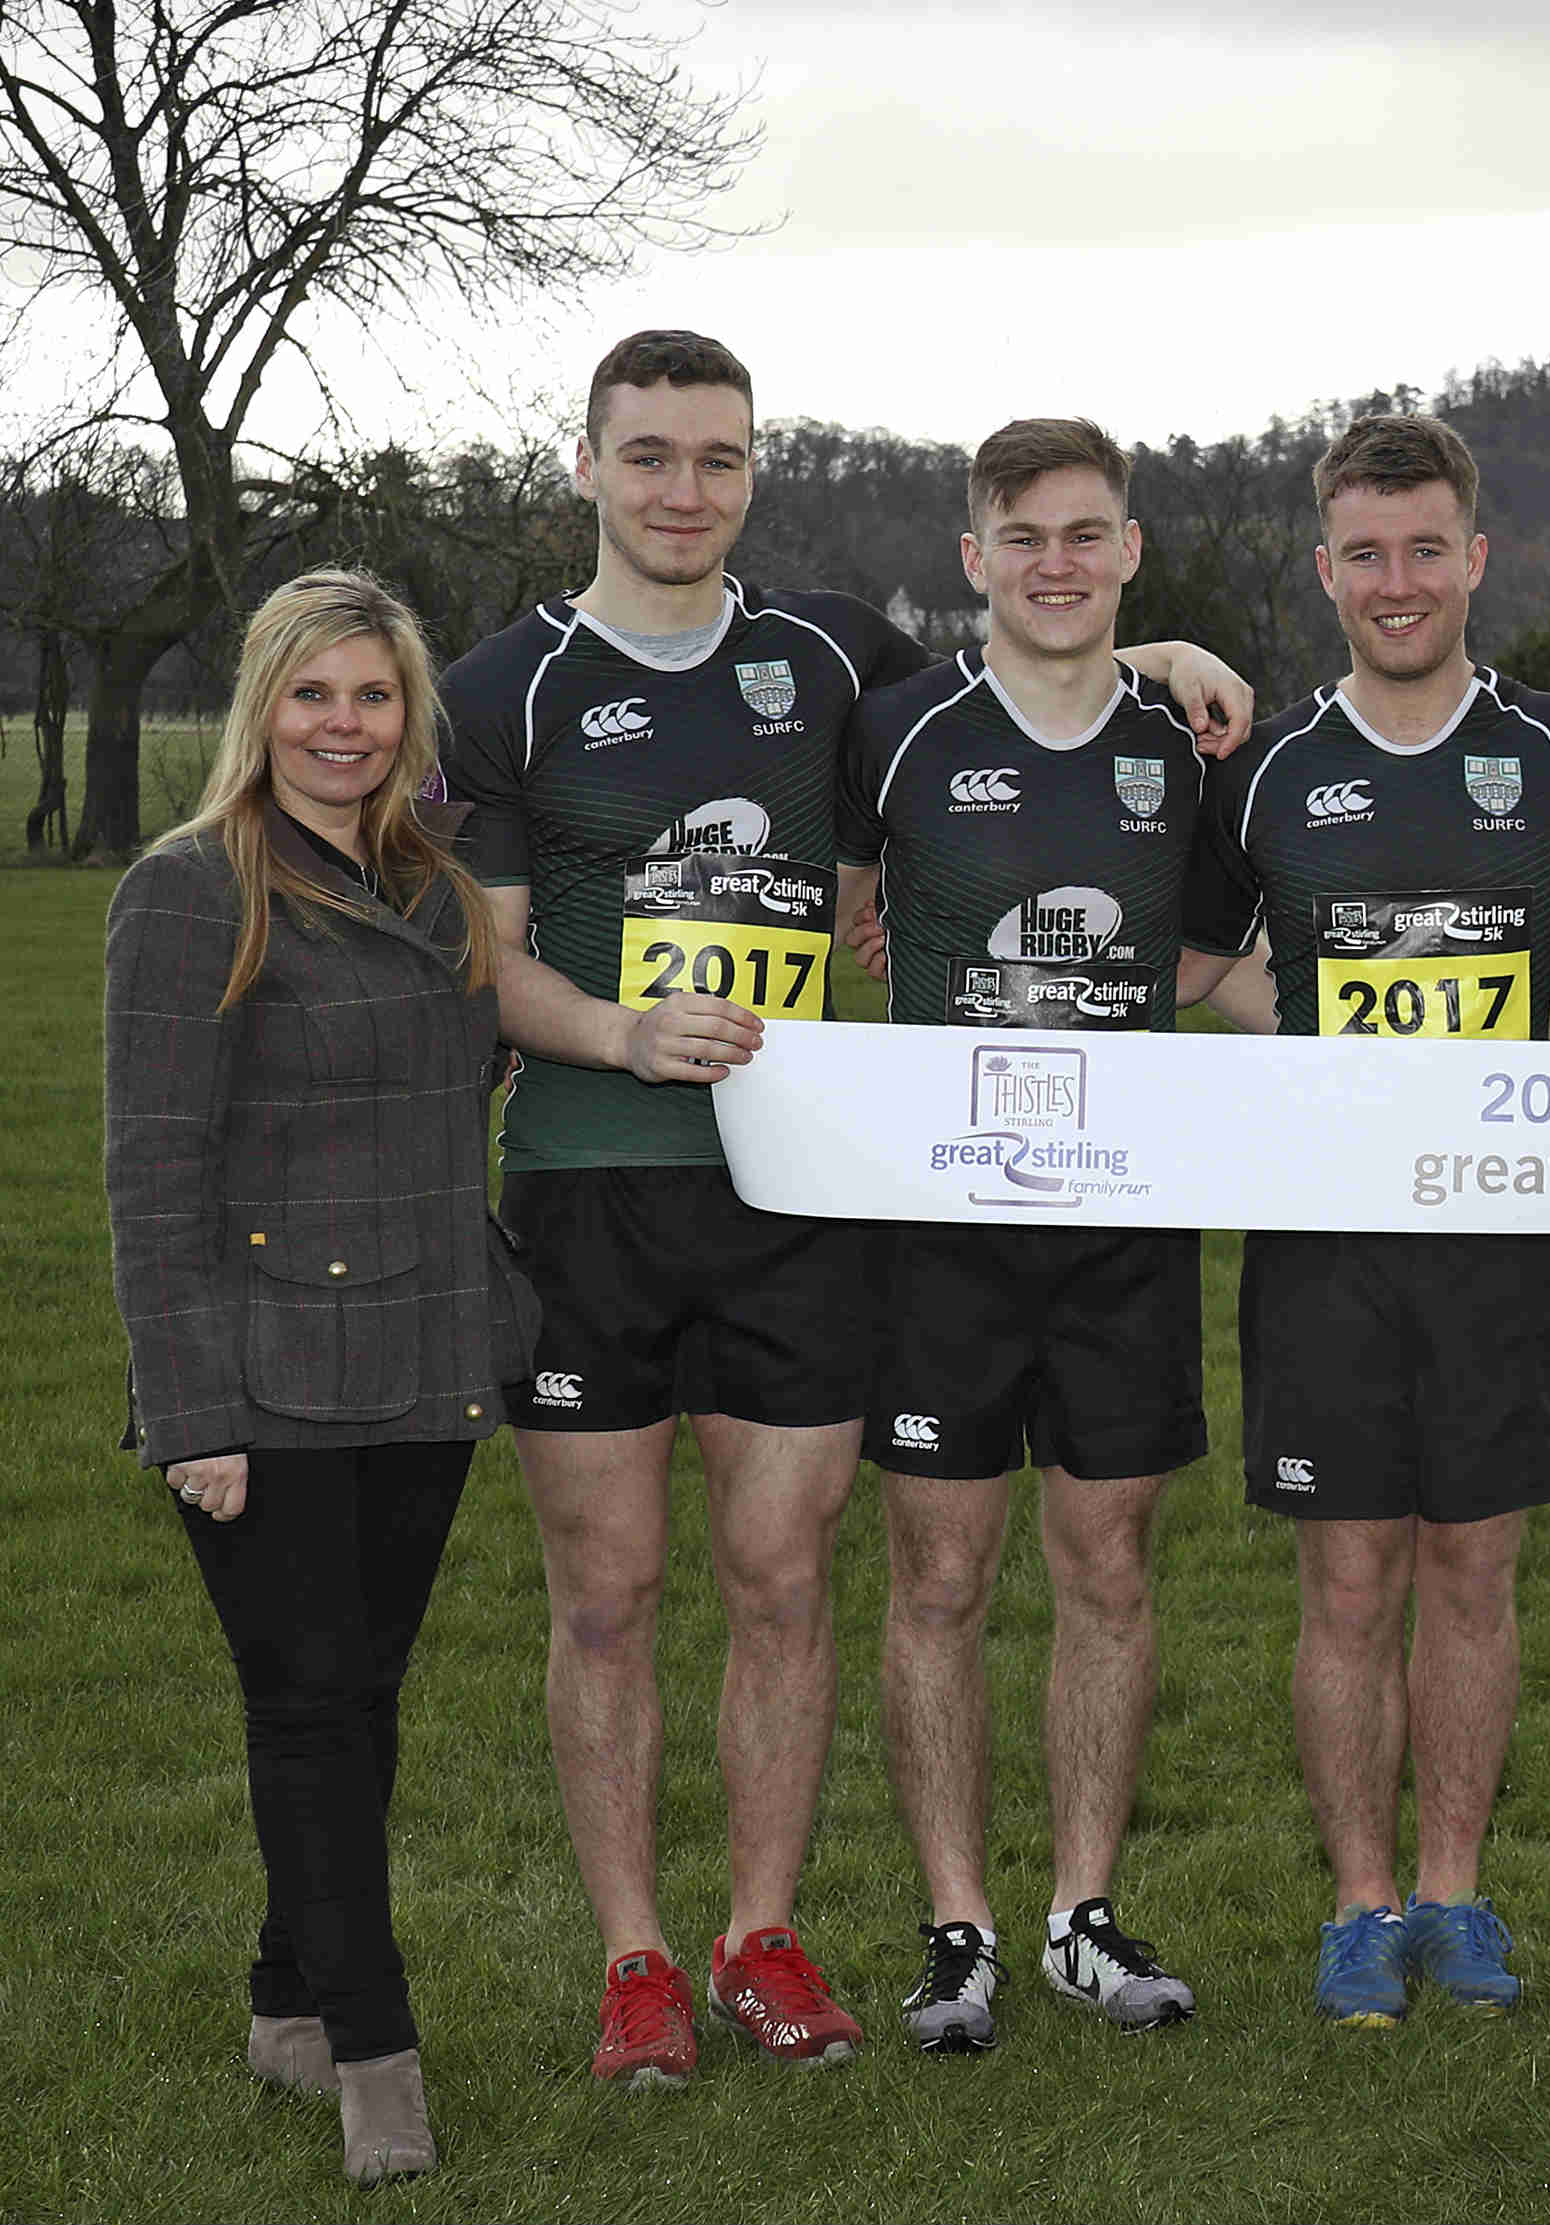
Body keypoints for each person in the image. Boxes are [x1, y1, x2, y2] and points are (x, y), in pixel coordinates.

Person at [438, 330, 1248, 2084]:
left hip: (803, 1194)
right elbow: (487, 962)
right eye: (650, 456)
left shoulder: (831, 666)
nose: (683, 491)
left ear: (753, 475)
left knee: (784, 1580)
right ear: (584, 464)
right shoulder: (502, 684)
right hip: (584, 1185)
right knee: (606, 1593)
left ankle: (760, 1935)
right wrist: (618, 1033)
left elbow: (1038, 651)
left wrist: (1162, 644)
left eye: (719, 459)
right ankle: (634, 1954)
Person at [103, 571, 528, 2185]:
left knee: (359, 1701)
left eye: (372, 697)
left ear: (408, 718)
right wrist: (191, 1413)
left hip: (426, 1362)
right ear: (261, 708)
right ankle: (377, 2057)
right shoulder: (189, 888)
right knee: (307, 1710)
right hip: (266, 1381)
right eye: (312, 695)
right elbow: (152, 1173)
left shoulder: (436, 888)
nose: (343, 726)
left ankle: (288, 1994)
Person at [1182, 412, 1550, 2025]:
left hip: (1500, 1230)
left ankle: (1456, 1892)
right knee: (1348, 1579)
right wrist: (1303, 1028)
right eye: (1368, 551)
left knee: (1473, 1569)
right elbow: (1190, 956)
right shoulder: (1273, 766)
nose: (1400, 580)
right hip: (1325, 1236)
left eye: (1428, 548)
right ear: (1326, 568)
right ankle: (1362, 1906)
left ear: (1475, 557)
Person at [832, 418, 1219, 2052]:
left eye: (1089, 532)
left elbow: (1206, 969)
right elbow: (851, 921)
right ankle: (955, 1929)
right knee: (937, 1571)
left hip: (1123, 1222)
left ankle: (1078, 1914)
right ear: (973, 557)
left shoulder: (1189, 747)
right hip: (942, 1226)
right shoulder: (893, 730)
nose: (1057, 560)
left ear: (1130, 551)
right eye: (1024, 535)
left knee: (1110, 1566)